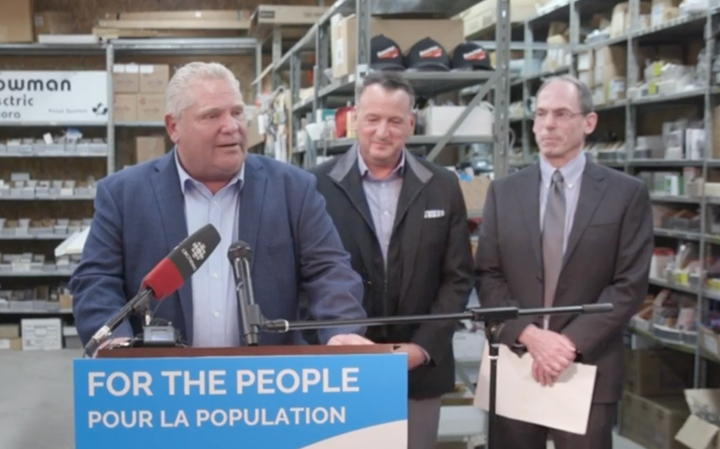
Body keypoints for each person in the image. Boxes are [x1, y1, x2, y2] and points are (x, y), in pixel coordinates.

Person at [70, 61, 372, 351]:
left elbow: (329, 270)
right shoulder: (124, 195)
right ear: (173, 127)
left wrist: (341, 330)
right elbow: (96, 280)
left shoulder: (293, 189)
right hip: (160, 387)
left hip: (267, 384)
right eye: (211, 116)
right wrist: (116, 345)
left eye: (237, 112)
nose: (231, 127)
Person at [475, 74, 654, 449]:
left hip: (587, 366)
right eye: (540, 114)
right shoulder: (504, 193)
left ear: (588, 122)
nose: (548, 124)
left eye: (561, 113)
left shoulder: (626, 194)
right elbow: (488, 275)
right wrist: (529, 334)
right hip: (516, 362)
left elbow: (629, 285)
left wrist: (566, 344)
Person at [309, 71, 474, 449]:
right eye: (373, 119)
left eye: (394, 120)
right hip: (343, 366)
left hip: (418, 369)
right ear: (356, 120)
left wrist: (421, 348)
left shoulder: (442, 185)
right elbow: (306, 276)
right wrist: (337, 338)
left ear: (410, 124)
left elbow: (458, 278)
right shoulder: (316, 186)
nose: (382, 131)